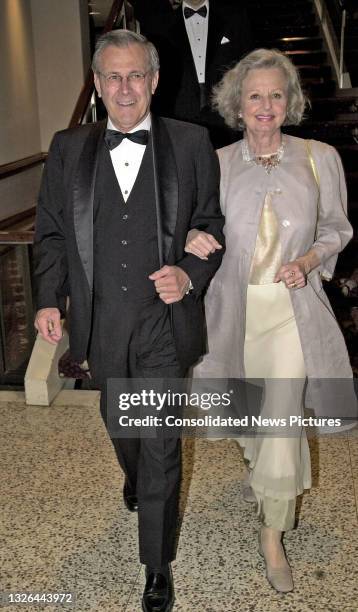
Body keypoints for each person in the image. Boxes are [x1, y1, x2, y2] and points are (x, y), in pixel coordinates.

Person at [33, 29, 224, 612]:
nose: (124, 87)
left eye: (135, 74)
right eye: (112, 76)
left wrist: (188, 271)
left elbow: (213, 222)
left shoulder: (192, 142)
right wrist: (47, 297)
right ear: (96, 84)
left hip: (163, 323)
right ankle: (135, 474)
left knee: (161, 440)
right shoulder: (68, 146)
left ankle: (157, 566)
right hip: (101, 322)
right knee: (122, 423)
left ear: (155, 81)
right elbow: (53, 232)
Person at [185, 48, 356, 593]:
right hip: (230, 313)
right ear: (237, 103)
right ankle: (270, 484)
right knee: (251, 421)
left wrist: (308, 261)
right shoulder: (214, 162)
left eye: (276, 95)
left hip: (291, 312)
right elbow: (194, 228)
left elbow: (336, 228)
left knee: (281, 418)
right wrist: (191, 238)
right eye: (255, 95)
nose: (266, 105)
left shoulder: (317, 157)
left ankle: (272, 533)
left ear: (290, 102)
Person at [131, 0, 253, 147]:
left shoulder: (234, 18)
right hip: (179, 116)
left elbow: (248, 68)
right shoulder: (160, 24)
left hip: (225, 116)